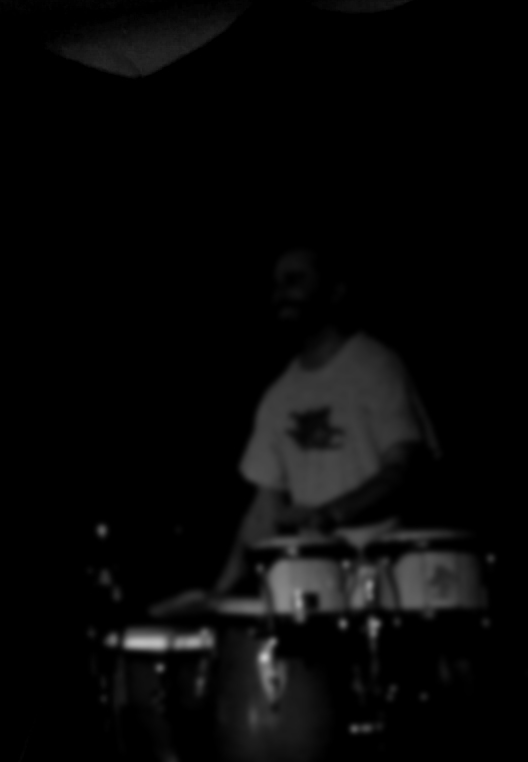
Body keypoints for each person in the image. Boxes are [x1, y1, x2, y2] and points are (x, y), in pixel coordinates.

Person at [160, 238, 439, 612]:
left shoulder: (377, 366)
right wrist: (218, 595)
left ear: (335, 292)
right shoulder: (279, 395)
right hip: (316, 588)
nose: (280, 294)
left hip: (384, 583)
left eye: (295, 280)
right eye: (276, 284)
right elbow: (264, 511)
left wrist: (327, 515)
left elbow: (404, 471)